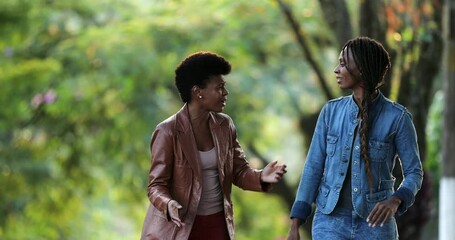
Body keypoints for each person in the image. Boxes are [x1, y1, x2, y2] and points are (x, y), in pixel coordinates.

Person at [286, 37, 423, 240]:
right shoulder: (330, 112)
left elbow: (414, 172)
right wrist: (295, 222)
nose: (336, 70)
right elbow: (313, 167)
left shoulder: (398, 118)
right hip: (329, 221)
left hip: (377, 224)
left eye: (342, 64)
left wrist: (396, 200)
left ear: (361, 68)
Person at [141, 51, 287, 240]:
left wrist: (261, 177)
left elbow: (239, 171)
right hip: (180, 228)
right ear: (198, 92)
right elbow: (156, 185)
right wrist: (168, 204)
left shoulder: (224, 125)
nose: (225, 93)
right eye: (219, 87)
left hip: (218, 224)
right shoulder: (167, 131)